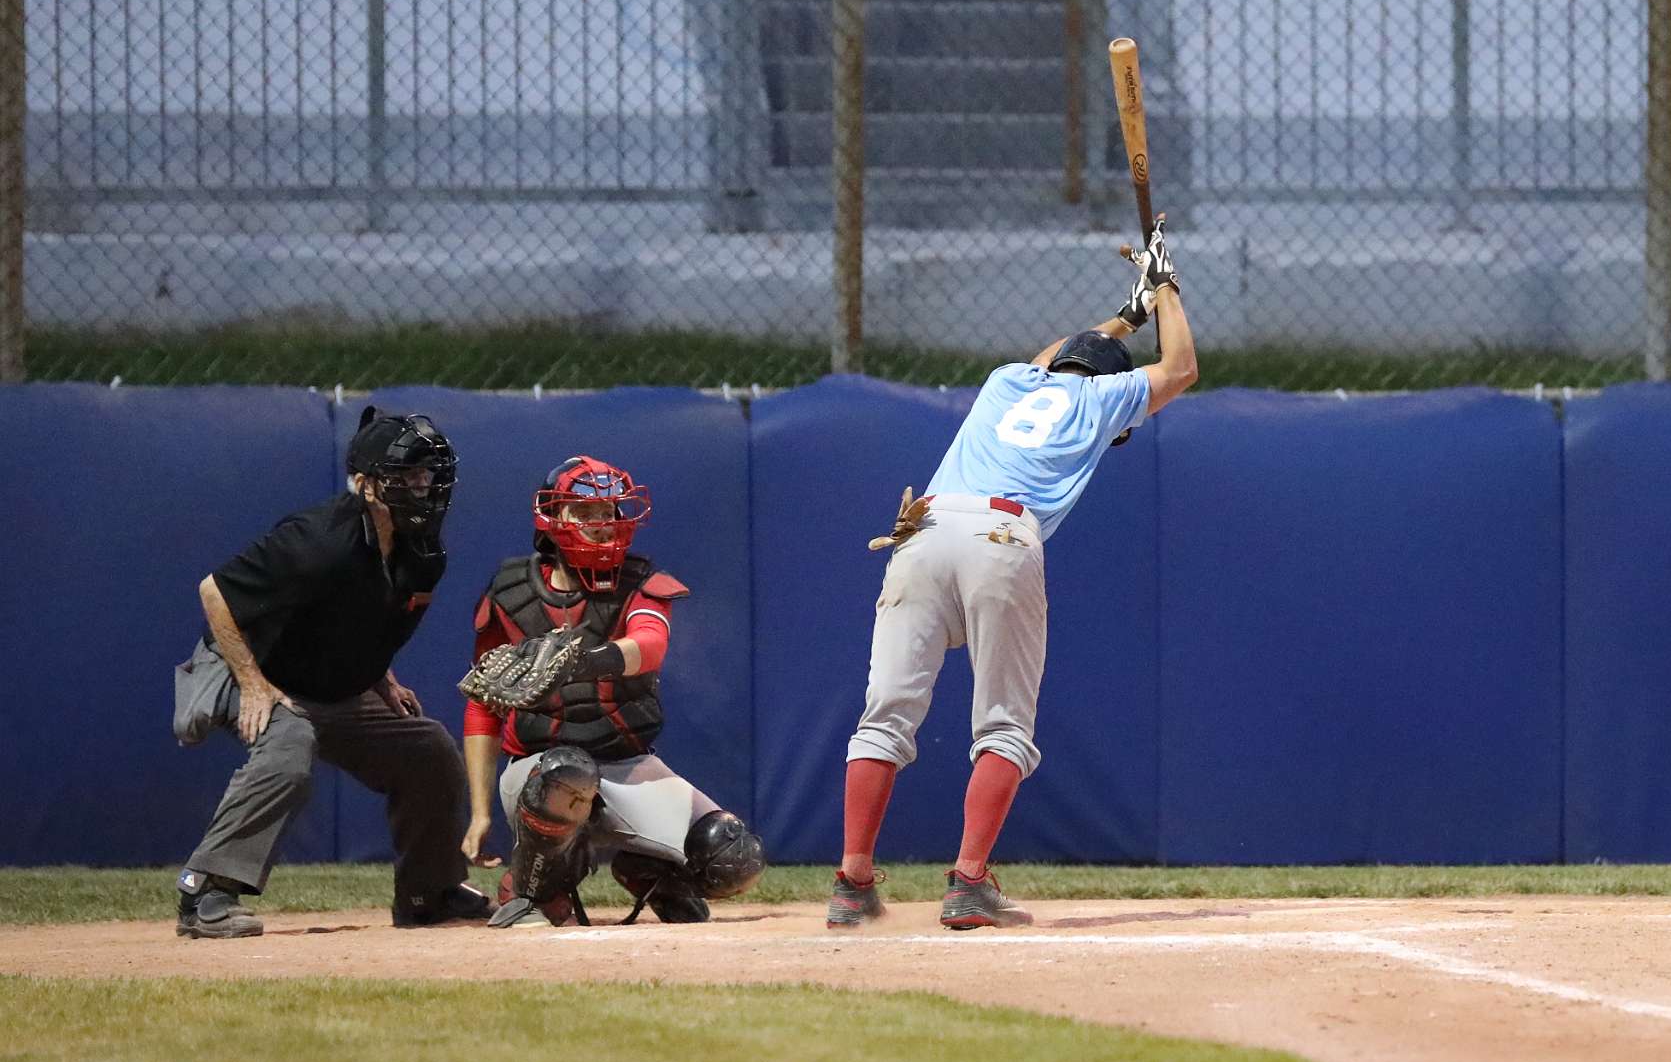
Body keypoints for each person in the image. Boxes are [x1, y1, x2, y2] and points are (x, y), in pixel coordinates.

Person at [827, 221, 1198, 930]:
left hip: (923, 529)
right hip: (1001, 536)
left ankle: (852, 882)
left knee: (886, 714)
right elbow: (1180, 368)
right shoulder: (1101, 401)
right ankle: (969, 881)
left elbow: (1057, 355)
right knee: (1003, 723)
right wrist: (1169, 287)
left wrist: (1130, 312)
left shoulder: (1009, 381)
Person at [171, 408, 492, 938]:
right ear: (366, 486)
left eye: (426, 475)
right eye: (406, 476)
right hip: (248, 667)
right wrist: (253, 684)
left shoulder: (423, 552)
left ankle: (428, 892)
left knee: (429, 750)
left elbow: (369, 620)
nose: (422, 487)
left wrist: (381, 676)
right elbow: (215, 592)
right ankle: (205, 893)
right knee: (290, 746)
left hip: (329, 683)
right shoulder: (319, 541)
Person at [464, 456, 765, 928]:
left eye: (608, 512)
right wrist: (480, 813)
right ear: (552, 519)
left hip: (625, 763)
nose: (601, 524)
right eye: (585, 512)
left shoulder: (639, 581)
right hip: (539, 770)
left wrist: (583, 661)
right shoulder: (510, 592)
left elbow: (650, 646)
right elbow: (483, 706)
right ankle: (532, 891)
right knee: (567, 771)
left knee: (734, 856)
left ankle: (648, 870)